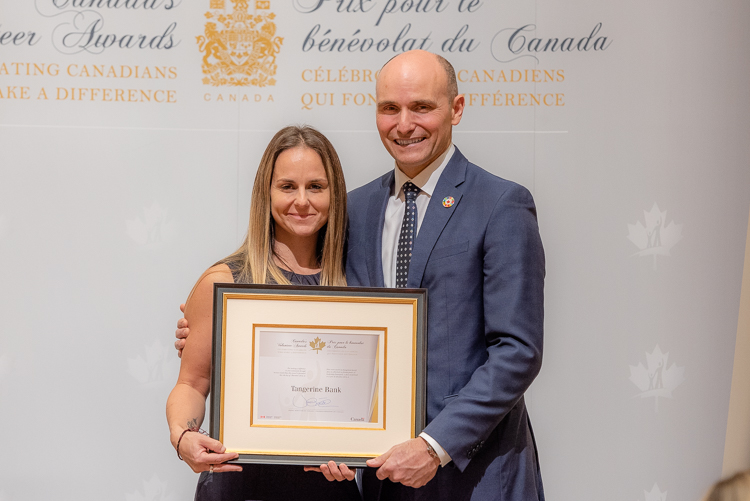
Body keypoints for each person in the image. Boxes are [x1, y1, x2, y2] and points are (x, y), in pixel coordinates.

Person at [176, 50, 546, 500]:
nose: (404, 124)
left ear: (456, 108)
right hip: (380, 480)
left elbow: (517, 351)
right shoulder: (355, 210)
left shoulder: (500, 203)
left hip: (474, 475)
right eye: (390, 108)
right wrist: (210, 330)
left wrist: (433, 446)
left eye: (422, 107)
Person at [166, 125, 360, 501]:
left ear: (334, 193)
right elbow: (191, 383)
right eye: (287, 186)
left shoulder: (358, 287)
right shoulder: (225, 282)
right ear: (266, 193)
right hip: (239, 484)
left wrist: (360, 448)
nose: (301, 200)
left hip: (330, 488)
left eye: (315, 186)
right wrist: (183, 435)